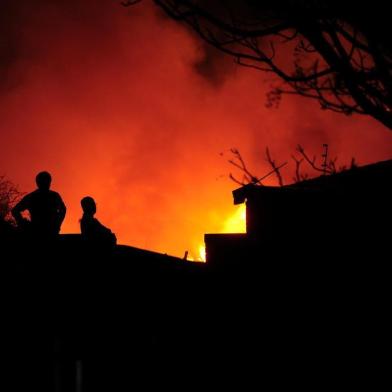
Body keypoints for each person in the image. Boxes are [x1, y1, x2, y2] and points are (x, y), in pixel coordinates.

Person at [12, 171, 66, 237]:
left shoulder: (53, 196)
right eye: (45, 181)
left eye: (47, 181)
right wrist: (23, 223)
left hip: (47, 231)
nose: (47, 184)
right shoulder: (53, 196)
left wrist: (58, 224)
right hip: (40, 232)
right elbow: (15, 211)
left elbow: (63, 210)